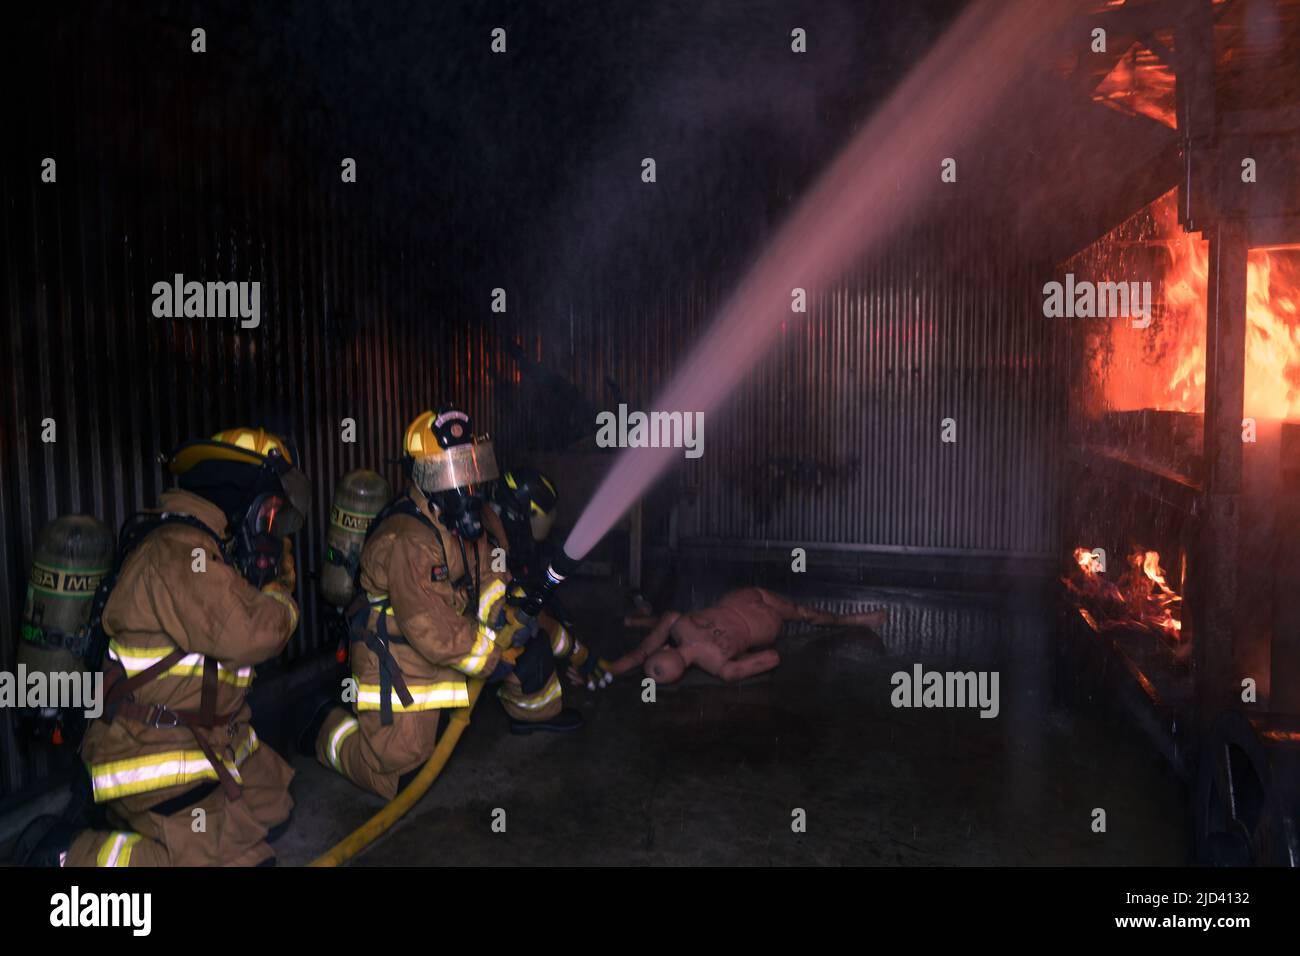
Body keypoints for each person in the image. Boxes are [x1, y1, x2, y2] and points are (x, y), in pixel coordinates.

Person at [21, 427, 309, 867]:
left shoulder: (211, 549)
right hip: (151, 752)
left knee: (276, 808)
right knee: (235, 858)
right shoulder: (179, 553)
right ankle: (67, 852)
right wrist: (278, 593)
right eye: (268, 513)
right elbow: (252, 633)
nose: (272, 528)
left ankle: (169, 825)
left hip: (210, 736)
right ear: (236, 498)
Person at [308, 407, 537, 799]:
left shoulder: (459, 521)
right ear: (426, 477)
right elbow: (427, 625)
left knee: (530, 673)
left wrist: (502, 608)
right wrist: (490, 659)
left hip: (438, 647)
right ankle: (322, 726)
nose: (467, 485)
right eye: (453, 472)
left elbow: (488, 573)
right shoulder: (409, 539)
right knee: (400, 773)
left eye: (470, 469)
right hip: (394, 654)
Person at [489, 468, 612, 733]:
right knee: (536, 644)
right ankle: (531, 713)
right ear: (526, 514)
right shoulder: (497, 550)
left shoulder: (509, 538)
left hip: (480, 643)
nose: (551, 520)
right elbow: (533, 617)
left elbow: (538, 595)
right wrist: (580, 655)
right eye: (547, 514)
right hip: (483, 646)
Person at [610, 588, 887, 684]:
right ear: (668, 649)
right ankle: (851, 620)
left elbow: (772, 658)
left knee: (803, 613)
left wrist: (603, 671)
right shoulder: (676, 623)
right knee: (803, 613)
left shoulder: (720, 667)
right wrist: (603, 669)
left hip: (759, 623)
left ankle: (852, 619)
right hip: (744, 599)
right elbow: (641, 653)